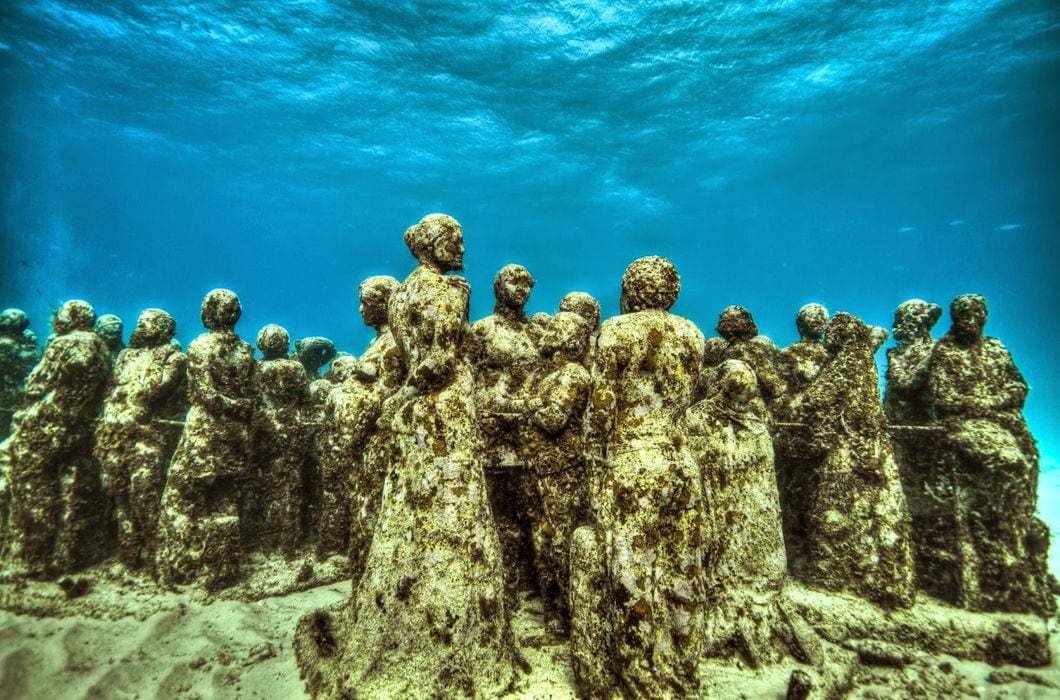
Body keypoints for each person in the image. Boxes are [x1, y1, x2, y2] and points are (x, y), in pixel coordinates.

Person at [294, 214, 522, 699]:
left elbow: (411, 358)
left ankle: (406, 617)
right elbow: (438, 362)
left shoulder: (398, 295)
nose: (462, 246)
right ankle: (452, 638)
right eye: (454, 238)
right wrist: (403, 397)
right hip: (445, 410)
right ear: (432, 245)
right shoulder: (451, 291)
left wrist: (400, 402)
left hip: (416, 416)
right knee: (454, 518)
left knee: (413, 515)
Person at [574, 256, 706, 698]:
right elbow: (684, 401)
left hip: (632, 460)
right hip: (681, 460)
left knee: (632, 569)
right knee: (683, 566)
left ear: (631, 288)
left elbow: (602, 407)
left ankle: (640, 673)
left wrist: (593, 462)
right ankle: (684, 668)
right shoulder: (693, 334)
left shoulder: (615, 331)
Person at [927, 294, 1053, 615]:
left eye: (976, 314)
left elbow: (1019, 387)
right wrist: (980, 405)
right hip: (965, 425)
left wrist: (994, 403)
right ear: (955, 318)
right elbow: (942, 397)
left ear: (984, 316)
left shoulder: (997, 349)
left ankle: (1019, 527)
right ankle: (1000, 534)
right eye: (964, 314)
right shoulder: (945, 350)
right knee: (1008, 462)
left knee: (1030, 456)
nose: (971, 320)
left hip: (1003, 422)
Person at [794, 312, 915, 609]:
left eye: (833, 331)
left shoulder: (847, 362)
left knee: (834, 511)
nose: (827, 336)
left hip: (849, 448)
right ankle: (874, 574)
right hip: (872, 446)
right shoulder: (864, 359)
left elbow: (817, 397)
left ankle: (837, 574)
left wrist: (797, 405)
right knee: (870, 513)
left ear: (842, 336)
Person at [2, 300, 110, 577]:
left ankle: (33, 558)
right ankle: (71, 555)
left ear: (68, 318)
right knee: (73, 487)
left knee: (30, 486)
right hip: (80, 426)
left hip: (46, 424)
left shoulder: (62, 343)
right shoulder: (102, 348)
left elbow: (36, 383)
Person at [157, 289, 256, 590]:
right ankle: (223, 571)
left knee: (179, 496)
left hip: (204, 431)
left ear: (210, 312)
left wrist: (226, 406)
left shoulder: (199, 346)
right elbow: (250, 397)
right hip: (235, 432)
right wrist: (239, 409)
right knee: (224, 499)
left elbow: (204, 394)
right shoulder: (247, 350)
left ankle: (179, 570)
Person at [464, 263, 539, 597]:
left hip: (530, 432)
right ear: (498, 286)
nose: (521, 289)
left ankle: (524, 581)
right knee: (495, 512)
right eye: (514, 282)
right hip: (493, 432)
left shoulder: (536, 332)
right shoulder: (482, 330)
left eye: (527, 284)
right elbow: (468, 377)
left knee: (529, 511)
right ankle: (496, 582)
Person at [94, 308, 187, 572]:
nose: (142, 327)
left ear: (165, 328)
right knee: (119, 494)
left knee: (144, 493)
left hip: (146, 433)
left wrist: (126, 397)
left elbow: (155, 392)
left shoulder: (175, 357)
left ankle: (158, 555)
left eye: (149, 323)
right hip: (114, 431)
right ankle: (129, 554)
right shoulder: (125, 355)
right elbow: (112, 387)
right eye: (140, 322)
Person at [519, 311, 592, 635]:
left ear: (566, 336)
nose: (546, 332)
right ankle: (553, 617)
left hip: (561, 473)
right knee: (544, 543)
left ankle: (567, 617)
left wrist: (528, 402)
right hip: (543, 471)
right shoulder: (551, 373)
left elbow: (553, 419)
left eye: (553, 328)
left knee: (559, 544)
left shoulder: (574, 374)